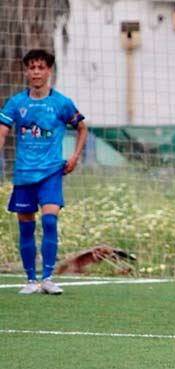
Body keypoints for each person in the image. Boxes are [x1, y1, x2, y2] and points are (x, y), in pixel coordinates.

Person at [0, 49, 88, 295]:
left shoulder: (61, 102)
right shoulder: (17, 102)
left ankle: (48, 277)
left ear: (49, 71)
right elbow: (3, 131)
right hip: (24, 174)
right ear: (26, 71)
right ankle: (30, 280)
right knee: (26, 226)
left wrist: (74, 157)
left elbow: (82, 128)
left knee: (50, 220)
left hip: (51, 172)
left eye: (41, 68)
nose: (36, 72)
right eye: (32, 68)